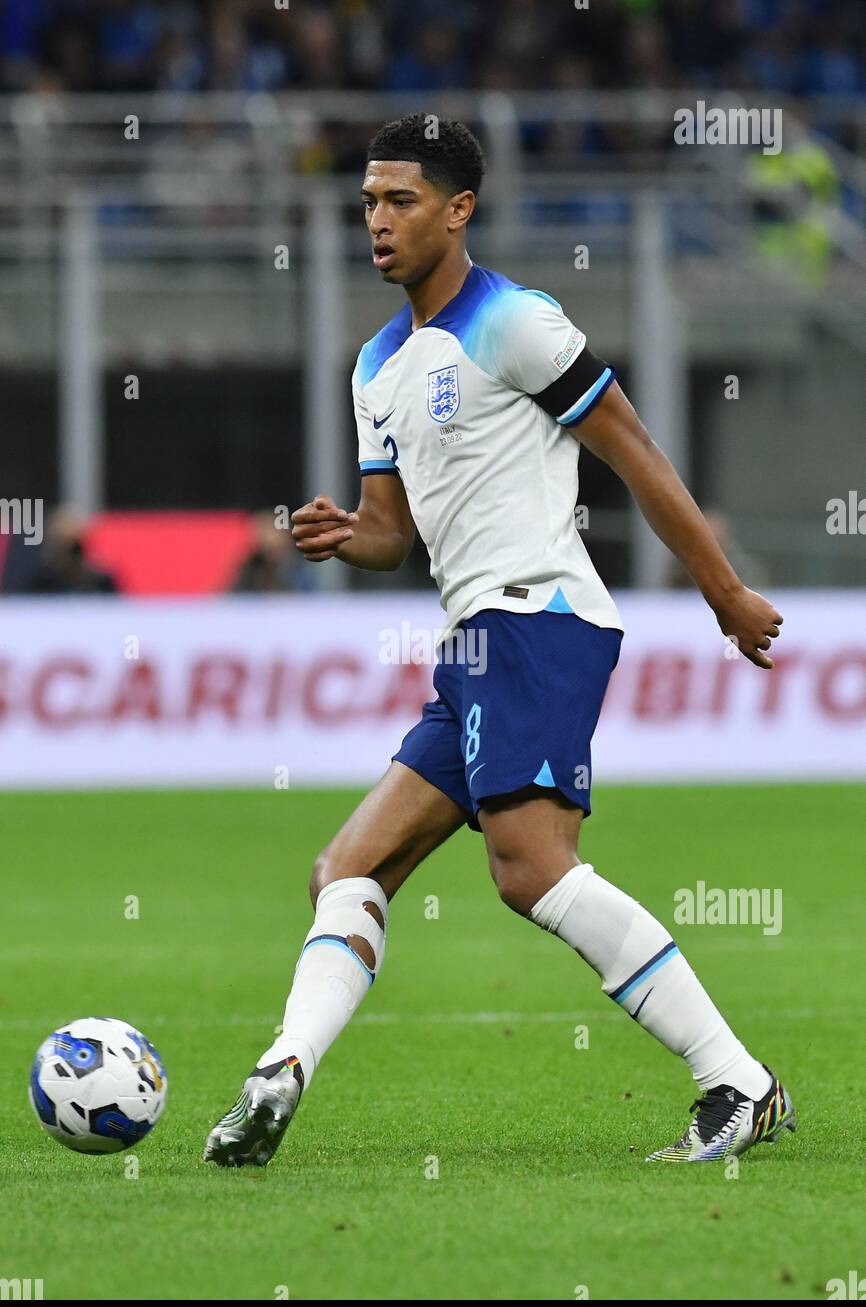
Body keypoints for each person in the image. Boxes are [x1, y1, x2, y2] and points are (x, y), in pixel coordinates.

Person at [205, 114, 794, 1168]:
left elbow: (635, 452)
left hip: (539, 615)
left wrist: (723, 592)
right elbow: (395, 534)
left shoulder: (516, 322)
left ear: (458, 209)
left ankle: (735, 1081)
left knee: (527, 869)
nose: (376, 223)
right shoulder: (376, 364)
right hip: (470, 640)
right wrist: (349, 535)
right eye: (368, 204)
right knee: (345, 866)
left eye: (399, 202)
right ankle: (278, 1074)